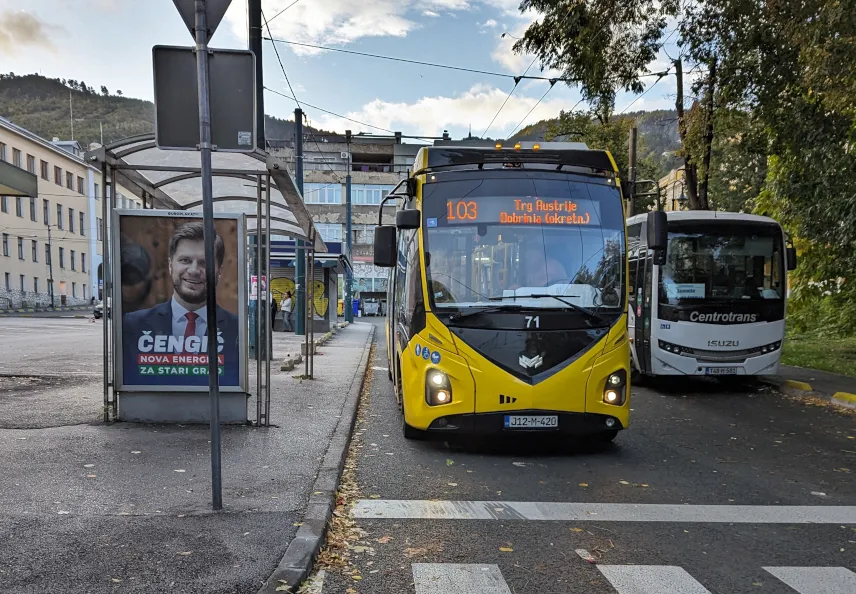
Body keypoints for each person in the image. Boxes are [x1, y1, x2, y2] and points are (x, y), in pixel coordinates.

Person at [122, 222, 239, 387]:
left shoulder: (237, 329)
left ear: (219, 271)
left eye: (204, 263)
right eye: (185, 260)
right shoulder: (133, 325)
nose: (193, 270)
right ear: (171, 265)